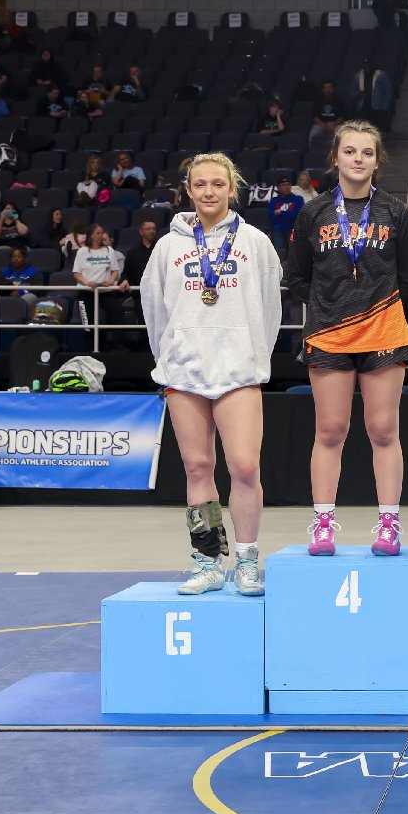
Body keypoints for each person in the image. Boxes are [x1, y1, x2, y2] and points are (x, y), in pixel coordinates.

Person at [141, 152, 282, 596]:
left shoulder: (255, 242)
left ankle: (247, 560)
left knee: (244, 467)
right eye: (200, 184)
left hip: (238, 370)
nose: (208, 192)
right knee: (198, 467)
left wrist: (254, 356)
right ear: (188, 191)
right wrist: (169, 358)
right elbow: (153, 309)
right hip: (184, 370)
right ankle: (207, 562)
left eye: (218, 184)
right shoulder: (167, 247)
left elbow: (271, 309)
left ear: (231, 189)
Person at [285, 120, 408, 557]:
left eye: (367, 152)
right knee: (330, 430)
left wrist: (371, 307)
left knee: (383, 429)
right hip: (329, 334)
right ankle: (323, 524)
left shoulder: (396, 212)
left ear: (377, 161)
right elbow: (296, 276)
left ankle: (389, 524)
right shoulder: (314, 212)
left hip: (383, 331)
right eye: (349, 151)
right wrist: (331, 306)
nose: (358, 159)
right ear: (335, 158)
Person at [268, 177, 303, 255]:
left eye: (288, 184)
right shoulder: (274, 200)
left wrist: (281, 212)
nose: (286, 187)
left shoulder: (298, 199)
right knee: (279, 252)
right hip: (278, 229)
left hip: (293, 228)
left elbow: (297, 215)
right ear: (278, 188)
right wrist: (289, 214)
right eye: (283, 185)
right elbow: (271, 218)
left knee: (295, 252)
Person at [120, 218, 158, 287]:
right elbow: (126, 273)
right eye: (148, 229)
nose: (152, 231)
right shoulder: (132, 252)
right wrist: (125, 280)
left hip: (158, 290)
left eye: (154, 229)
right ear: (141, 232)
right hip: (138, 290)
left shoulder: (161, 249)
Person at [309, 81, 346, 146]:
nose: (327, 90)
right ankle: (311, 151)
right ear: (323, 90)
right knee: (312, 136)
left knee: (339, 137)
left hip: (335, 123)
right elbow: (314, 116)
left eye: (330, 87)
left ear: (333, 89)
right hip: (320, 124)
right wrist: (321, 124)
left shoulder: (339, 101)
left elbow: (342, 117)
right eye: (325, 88)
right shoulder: (318, 101)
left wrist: (334, 124)